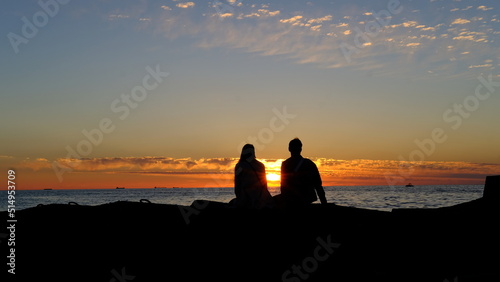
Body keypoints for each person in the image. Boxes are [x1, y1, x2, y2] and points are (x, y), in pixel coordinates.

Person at [279, 138, 327, 207]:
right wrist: (324, 204)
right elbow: (318, 186)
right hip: (306, 199)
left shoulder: (285, 164)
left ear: (289, 149)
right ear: (301, 149)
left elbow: (283, 186)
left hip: (291, 201)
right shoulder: (309, 163)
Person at [232, 144, 273, 209]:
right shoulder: (261, 165)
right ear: (253, 152)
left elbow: (237, 186)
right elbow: (264, 185)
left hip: (247, 200)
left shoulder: (240, 166)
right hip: (260, 200)